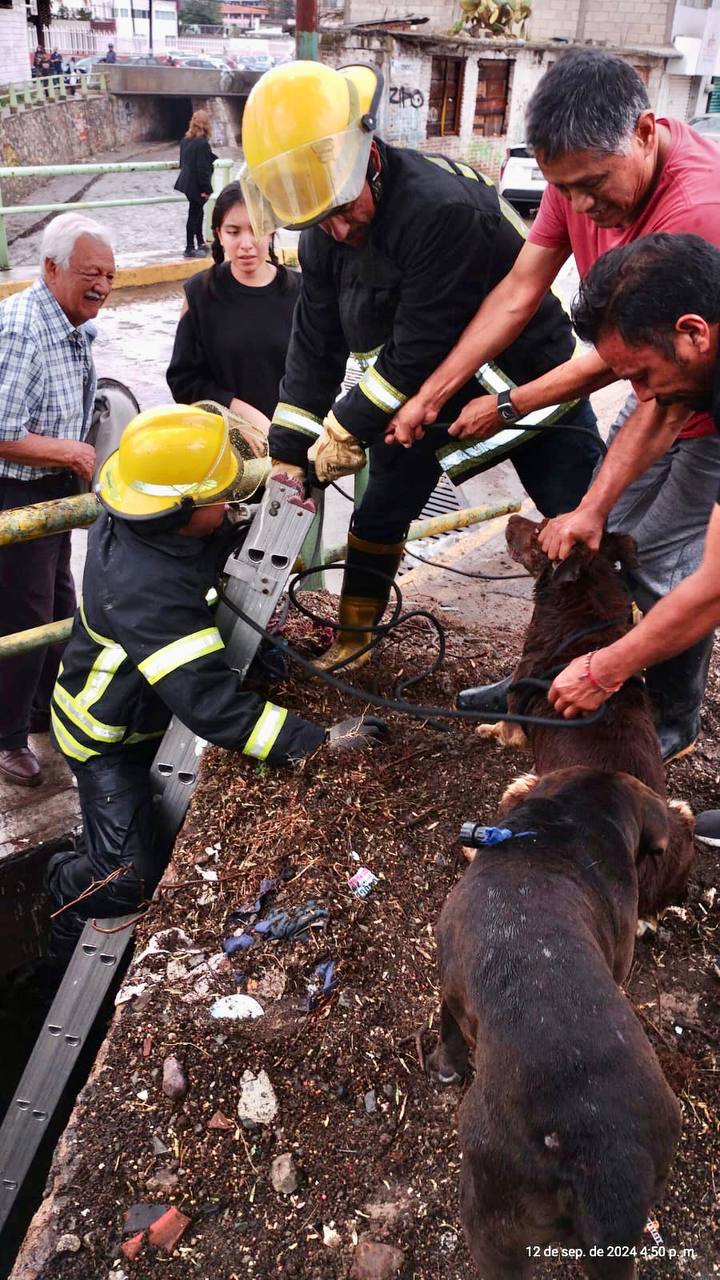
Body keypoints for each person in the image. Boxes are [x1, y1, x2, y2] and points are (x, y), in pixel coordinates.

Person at [390, 51, 720, 760]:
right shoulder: (582, 186)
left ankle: (669, 712)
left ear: (642, 130)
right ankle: (547, 684)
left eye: (591, 185)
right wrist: (436, 392)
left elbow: (648, 378)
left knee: (669, 565)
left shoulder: (698, 212)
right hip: (671, 382)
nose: (577, 206)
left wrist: (509, 404)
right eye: (559, 187)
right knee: (613, 539)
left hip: (697, 403)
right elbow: (523, 294)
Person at [240, 60, 602, 670]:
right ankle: (355, 638)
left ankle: (596, 658)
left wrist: (344, 427)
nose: (336, 227)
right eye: (317, 219)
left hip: (526, 378)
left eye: (341, 208)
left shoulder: (439, 208)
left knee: (576, 520)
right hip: (421, 391)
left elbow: (421, 342)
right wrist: (289, 447)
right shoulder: (323, 229)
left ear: (365, 156)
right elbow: (315, 343)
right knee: (380, 507)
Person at [45, 404, 386, 963]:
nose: (228, 504)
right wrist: (315, 742)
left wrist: (257, 524)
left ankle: (92, 851)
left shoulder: (139, 517)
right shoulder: (148, 594)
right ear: (177, 510)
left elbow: (199, 546)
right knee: (127, 877)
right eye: (218, 499)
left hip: (139, 710)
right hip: (104, 741)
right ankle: (65, 884)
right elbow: (212, 706)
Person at [542, 233, 720, 839]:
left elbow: (713, 588)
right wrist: (593, 509)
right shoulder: (699, 360)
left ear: (693, 332)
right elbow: (662, 414)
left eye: (642, 374)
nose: (638, 396)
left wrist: (604, 670)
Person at [0, 213, 115, 788]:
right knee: (23, 616)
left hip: (49, 491)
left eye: (110, 277)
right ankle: (6, 738)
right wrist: (71, 455)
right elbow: (1, 429)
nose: (102, 286)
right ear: (50, 268)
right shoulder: (23, 326)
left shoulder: (70, 323)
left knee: (57, 608)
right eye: (91, 273)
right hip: (15, 492)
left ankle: (43, 710)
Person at [166, 181, 300, 442]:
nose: (246, 243)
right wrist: (240, 414)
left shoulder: (301, 292)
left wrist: (289, 432)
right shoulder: (199, 293)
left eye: (257, 229)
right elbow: (183, 381)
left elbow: (321, 372)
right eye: (234, 231)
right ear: (219, 234)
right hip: (221, 450)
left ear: (272, 231)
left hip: (293, 446)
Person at [175, 109, 216, 259]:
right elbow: (203, 169)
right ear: (206, 125)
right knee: (194, 214)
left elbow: (182, 163)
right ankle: (189, 247)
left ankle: (200, 243)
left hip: (186, 183)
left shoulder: (185, 140)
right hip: (197, 186)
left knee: (198, 212)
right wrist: (206, 189)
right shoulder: (203, 143)